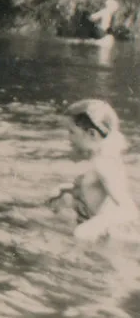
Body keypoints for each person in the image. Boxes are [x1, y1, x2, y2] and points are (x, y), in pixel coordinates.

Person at [47, 99, 138, 241]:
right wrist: (70, 189)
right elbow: (99, 191)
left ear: (92, 134)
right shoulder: (103, 158)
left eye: (72, 132)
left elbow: (128, 210)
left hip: (113, 239)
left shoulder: (104, 163)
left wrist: (87, 230)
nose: (68, 138)